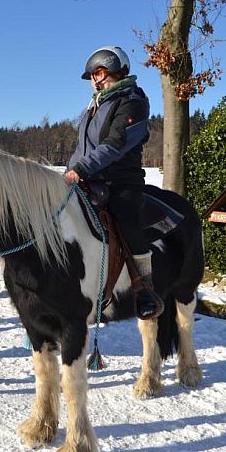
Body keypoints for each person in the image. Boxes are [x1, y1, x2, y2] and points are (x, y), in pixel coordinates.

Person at [64, 45, 164, 320]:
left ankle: (144, 288)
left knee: (127, 220)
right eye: (92, 76)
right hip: (89, 178)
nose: (95, 80)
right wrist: (71, 170)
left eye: (99, 73)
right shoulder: (94, 107)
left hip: (121, 181)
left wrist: (81, 168)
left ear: (116, 71)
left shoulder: (132, 100)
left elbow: (115, 144)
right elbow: (82, 147)